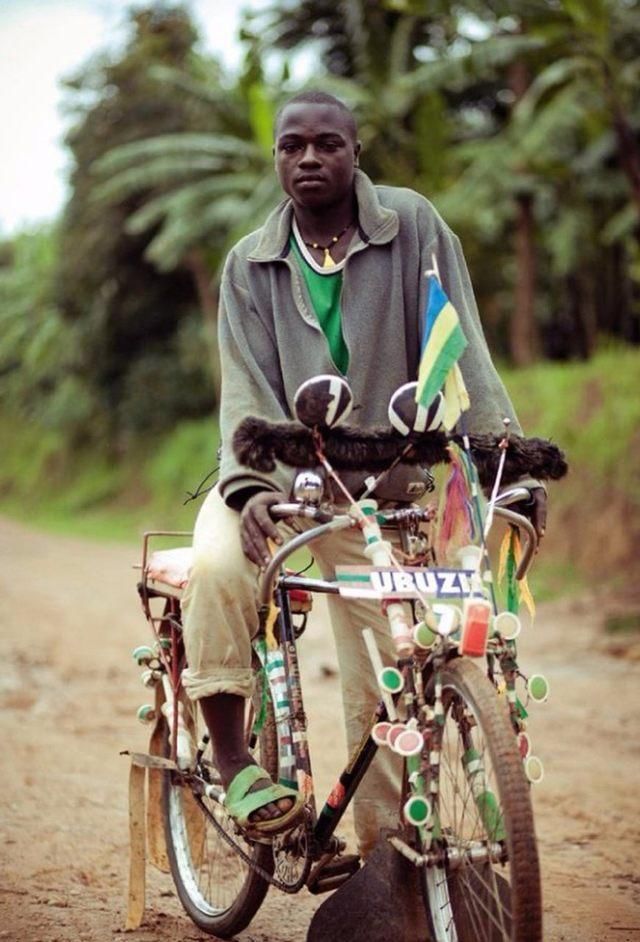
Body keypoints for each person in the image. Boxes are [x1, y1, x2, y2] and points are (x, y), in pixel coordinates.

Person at [181, 90, 546, 855]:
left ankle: (385, 858)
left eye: (326, 144)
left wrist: (502, 462)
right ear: (277, 156)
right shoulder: (249, 262)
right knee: (216, 563)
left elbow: (463, 349)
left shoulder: (412, 225)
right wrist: (247, 489)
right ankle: (236, 759)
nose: (308, 158)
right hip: (272, 479)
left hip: (374, 492)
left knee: (387, 666)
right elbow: (243, 389)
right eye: (291, 147)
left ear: (355, 150)